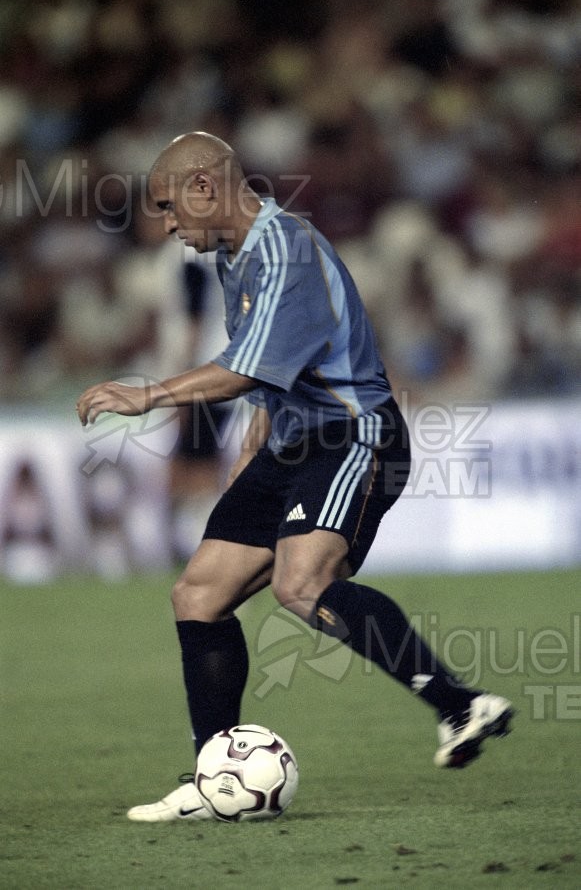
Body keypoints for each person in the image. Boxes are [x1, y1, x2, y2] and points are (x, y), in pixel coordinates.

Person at [76, 132, 513, 822]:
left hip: (352, 433)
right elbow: (270, 376)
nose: (163, 225)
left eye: (166, 206)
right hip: (291, 441)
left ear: (202, 187)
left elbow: (245, 367)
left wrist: (149, 394)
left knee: (300, 584)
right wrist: (251, 461)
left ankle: (461, 706)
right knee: (198, 594)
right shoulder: (233, 258)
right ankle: (215, 772)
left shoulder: (285, 247)